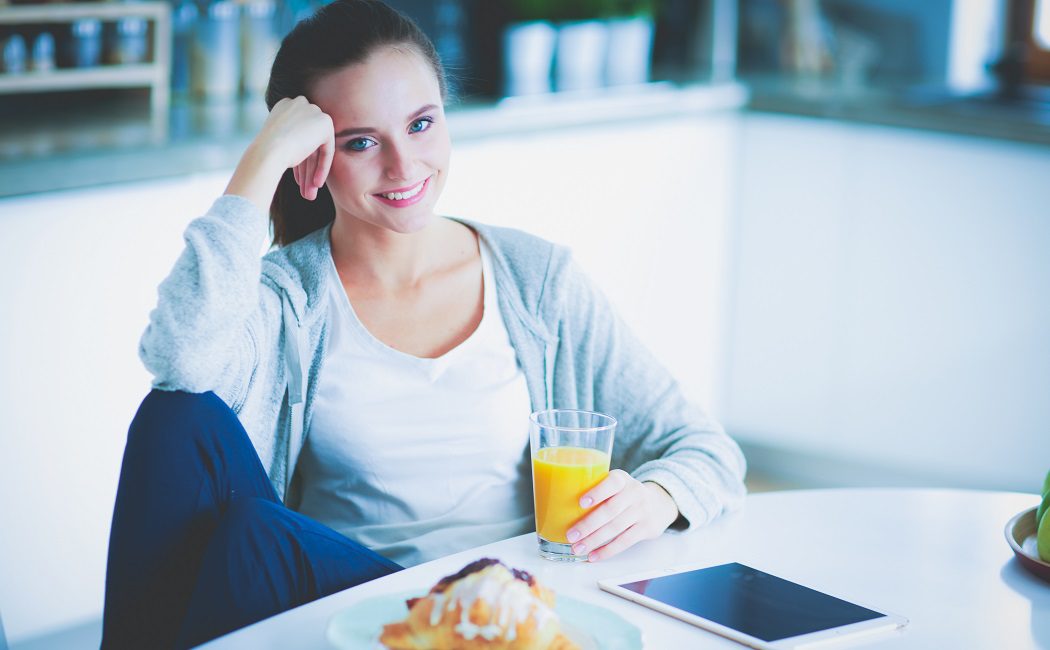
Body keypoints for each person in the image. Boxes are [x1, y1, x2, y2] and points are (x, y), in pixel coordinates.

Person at [101, 0, 747, 647]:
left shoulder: (534, 280)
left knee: (250, 536)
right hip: (349, 596)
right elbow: (179, 359)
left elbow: (705, 447)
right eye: (360, 142)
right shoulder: (286, 300)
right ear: (313, 159)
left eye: (420, 124)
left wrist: (659, 496)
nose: (403, 165)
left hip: (497, 601)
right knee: (177, 418)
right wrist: (259, 162)